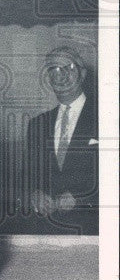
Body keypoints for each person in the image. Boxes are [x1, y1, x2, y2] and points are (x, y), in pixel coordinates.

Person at [24, 45, 98, 235]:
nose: (62, 74)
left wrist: (81, 198)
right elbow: (26, 176)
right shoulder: (37, 124)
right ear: (49, 78)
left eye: (70, 68)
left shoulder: (106, 116)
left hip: (94, 228)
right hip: (45, 229)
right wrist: (34, 194)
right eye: (54, 69)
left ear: (82, 74)